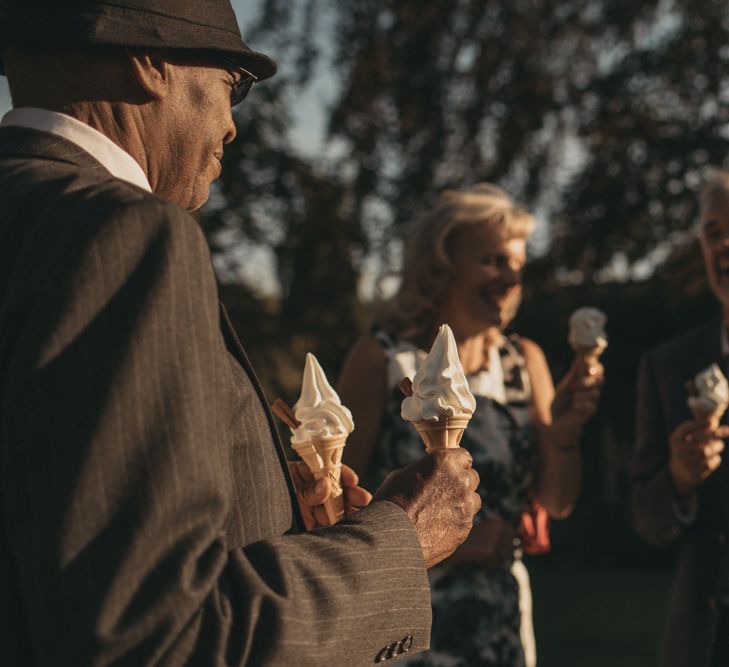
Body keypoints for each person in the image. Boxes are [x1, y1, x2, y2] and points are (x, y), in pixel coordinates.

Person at [0, 2, 483, 665]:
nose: (230, 126)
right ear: (150, 61)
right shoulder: (123, 235)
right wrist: (399, 537)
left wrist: (269, 517)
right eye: (233, 84)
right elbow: (154, 632)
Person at [338, 184, 604, 666]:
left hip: (502, 631)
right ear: (441, 264)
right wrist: (448, 542)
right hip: (408, 631)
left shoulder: (525, 363)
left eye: (517, 266)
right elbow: (334, 502)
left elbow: (559, 501)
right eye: (493, 261)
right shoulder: (380, 358)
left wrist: (563, 435)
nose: (510, 278)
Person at [632, 170, 729, 667]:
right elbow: (646, 519)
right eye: (714, 233)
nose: (725, 245)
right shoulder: (669, 366)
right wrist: (678, 481)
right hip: (705, 638)